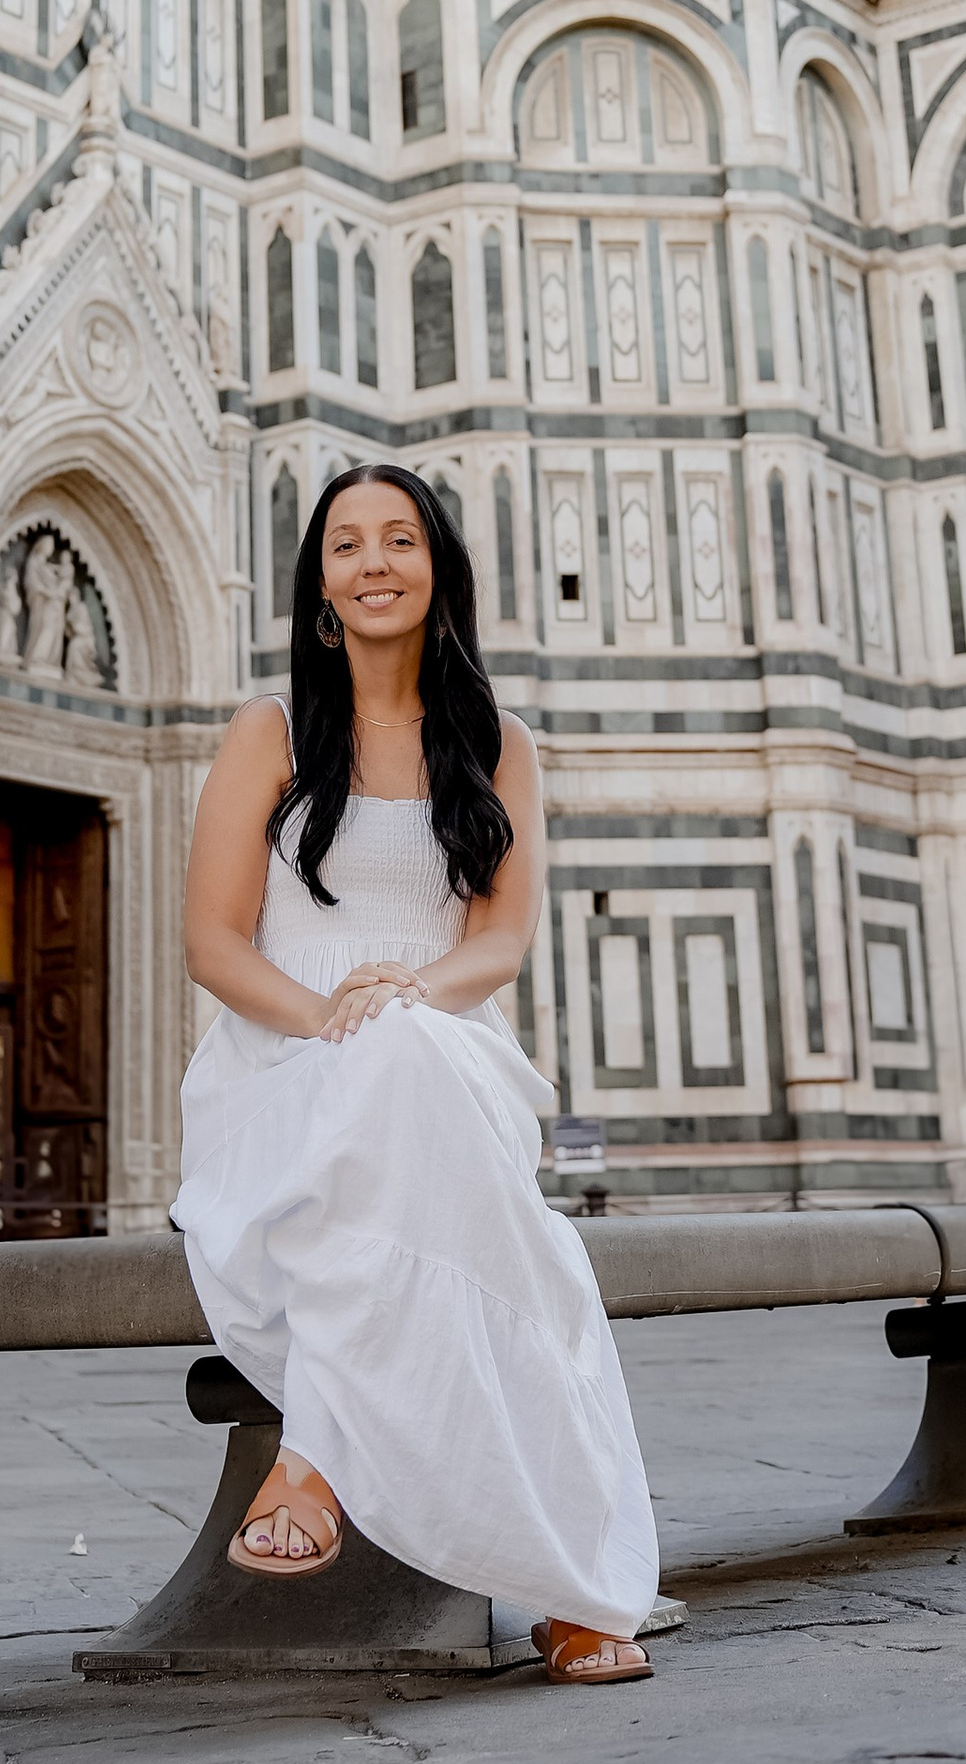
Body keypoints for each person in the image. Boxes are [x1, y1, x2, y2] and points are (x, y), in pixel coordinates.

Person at [173, 463, 660, 1684]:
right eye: (347, 545)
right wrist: (333, 1012)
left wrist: (399, 999)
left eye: (399, 539)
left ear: (436, 567)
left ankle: (316, 1462)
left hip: (443, 1048)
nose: (373, 562)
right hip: (279, 1058)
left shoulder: (497, 744)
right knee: (525, 1269)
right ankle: (569, 1592)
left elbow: (496, 942)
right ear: (320, 584)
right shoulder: (268, 733)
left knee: (425, 1098)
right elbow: (213, 942)